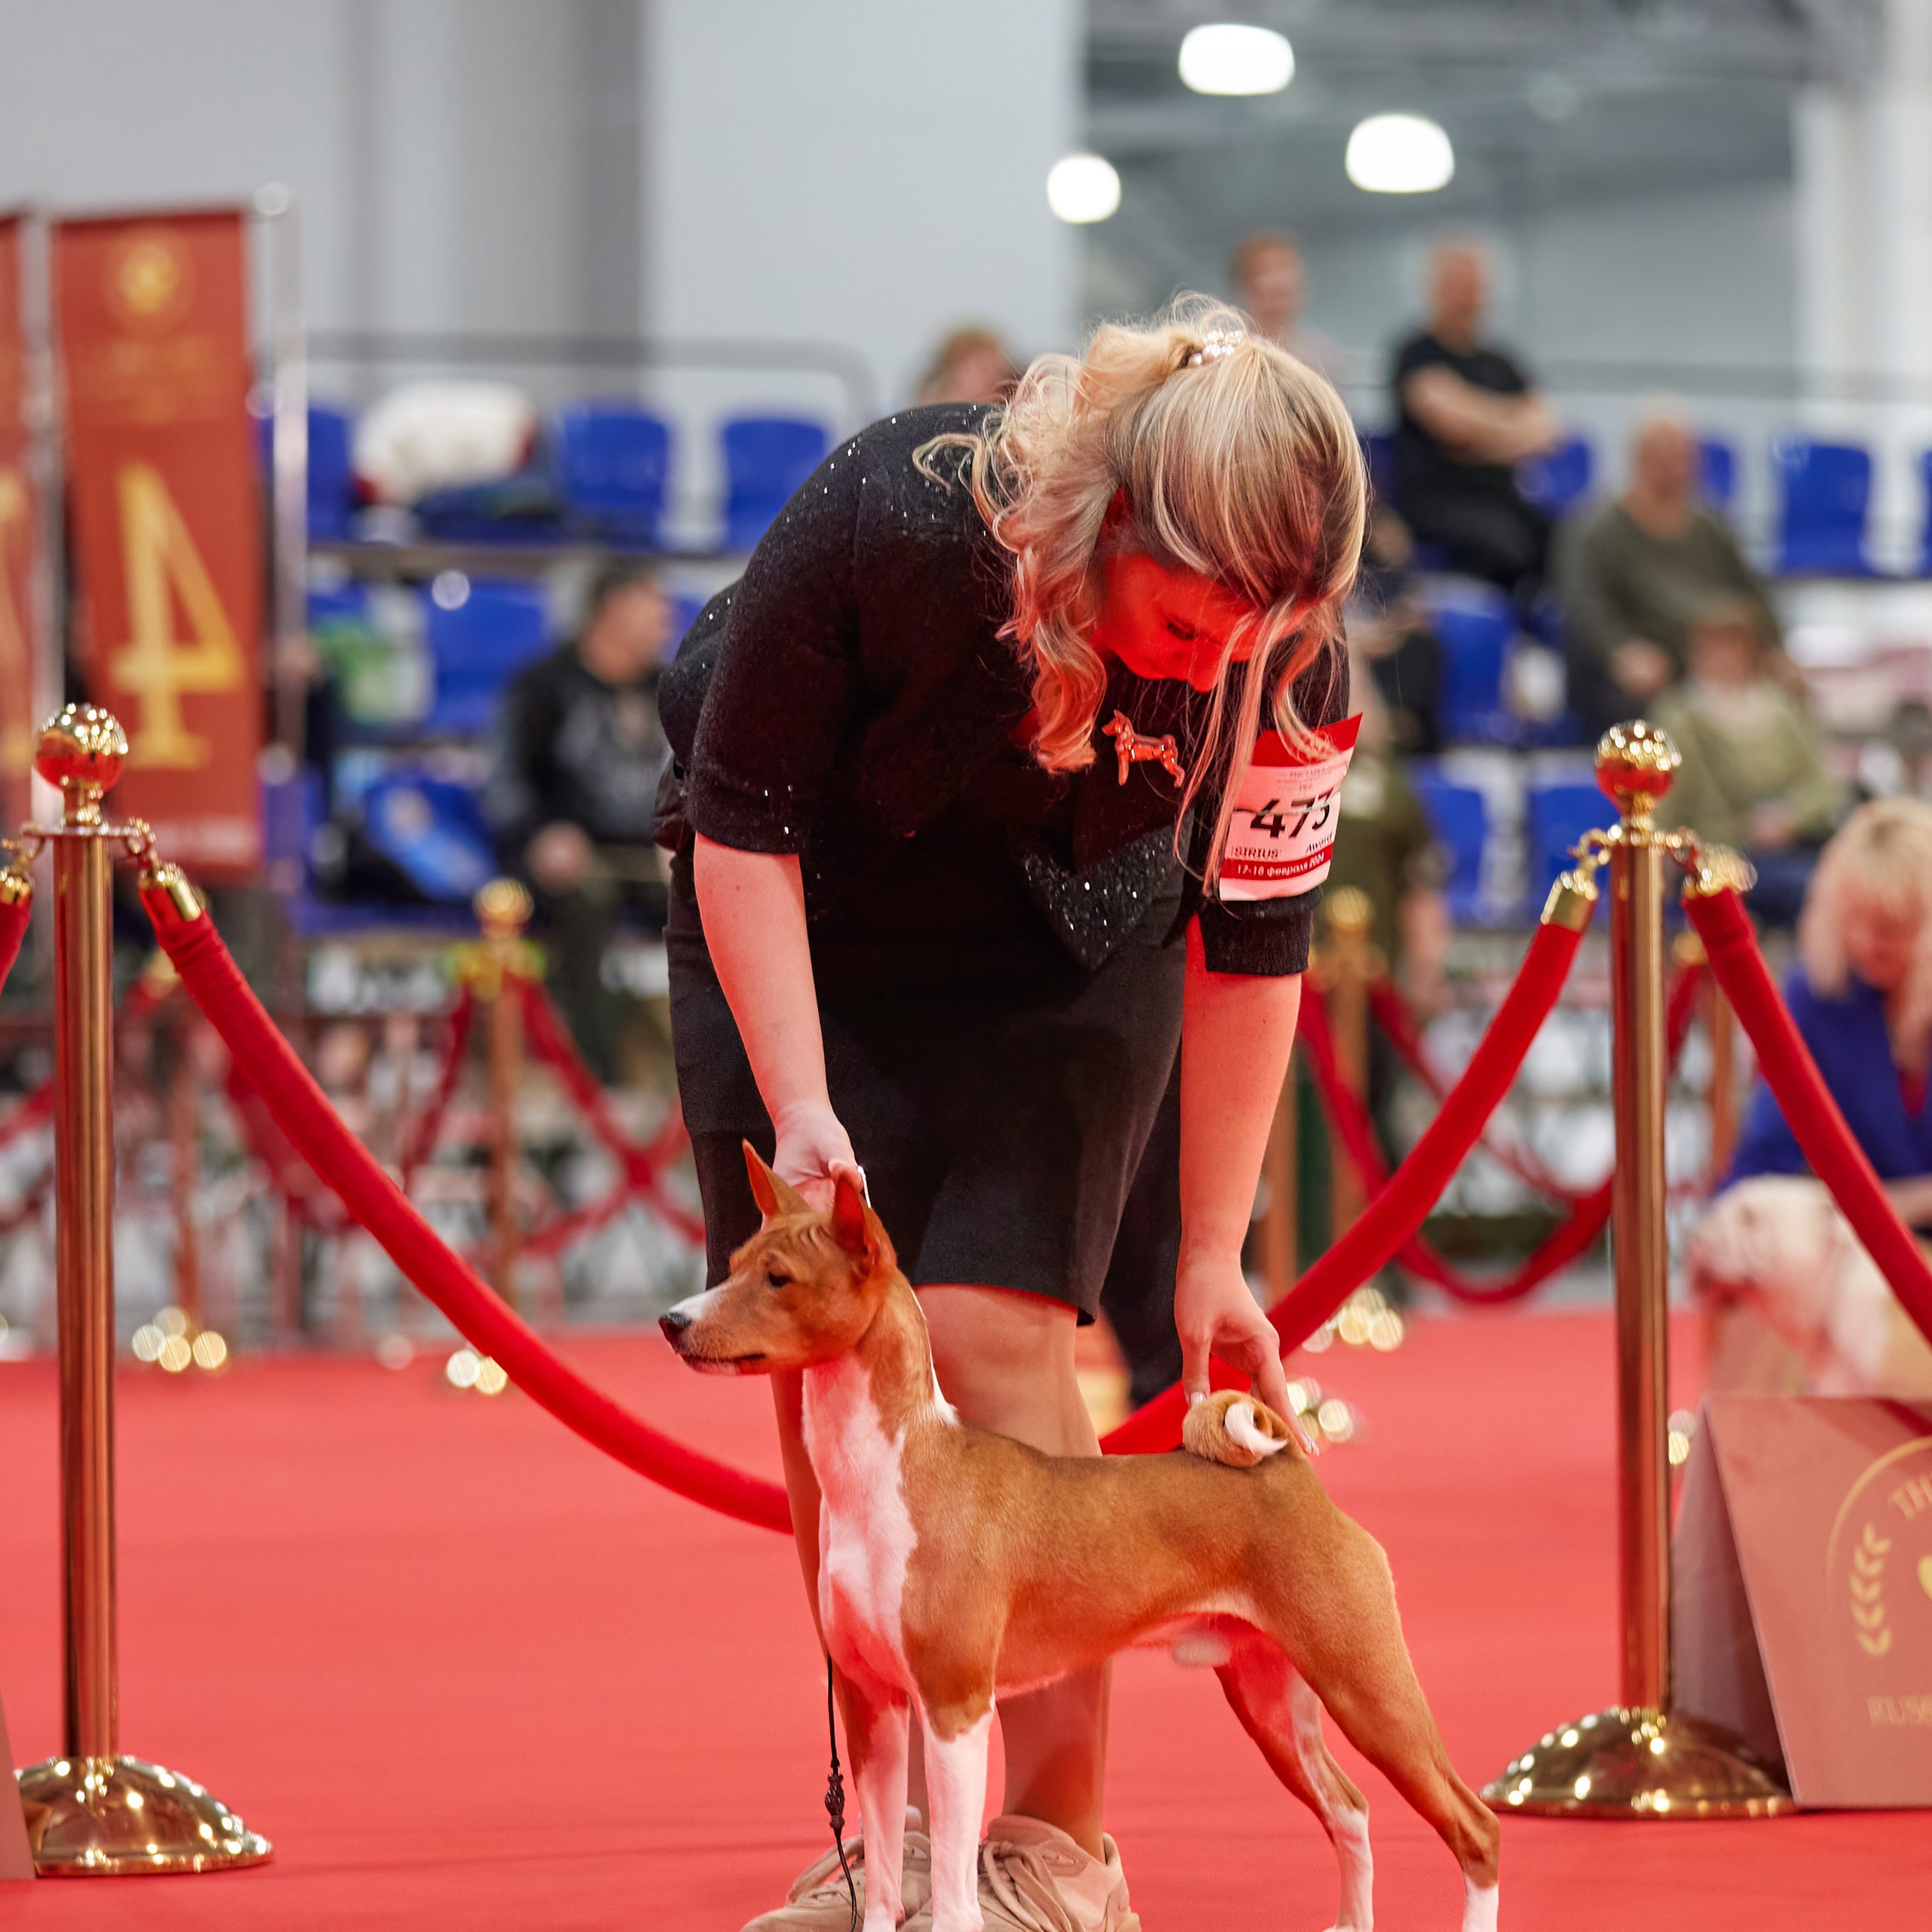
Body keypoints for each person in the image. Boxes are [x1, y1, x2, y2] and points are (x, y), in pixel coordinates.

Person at [655, 297, 1361, 1932]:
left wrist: (1207, 1256)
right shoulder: (899, 513)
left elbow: (1255, 948)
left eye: (1255, 637)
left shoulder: (1288, 655)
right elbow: (741, 825)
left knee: (984, 1322)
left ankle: (1050, 1846)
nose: (1219, 670)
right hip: (801, 908)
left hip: (1073, 932)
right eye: (1187, 631)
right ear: (1101, 522)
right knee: (827, 1378)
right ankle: (892, 1845)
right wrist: (805, 1102)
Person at [1691, 799, 1932, 1395]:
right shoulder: (1816, 993)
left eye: (1894, 926)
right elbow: (1769, 1146)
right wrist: (1727, 1224)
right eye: (1856, 919)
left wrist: (1901, 1204)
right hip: (1858, 1247)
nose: (1868, 941)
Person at [485, 564, 675, 1080]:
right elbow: (504, 784)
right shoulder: (543, 687)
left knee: (717, 895)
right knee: (589, 899)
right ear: (611, 612)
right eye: (651, 608)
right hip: (564, 860)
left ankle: (701, 1073)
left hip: (645, 857)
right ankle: (596, 1075)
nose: (666, 620)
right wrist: (541, 835)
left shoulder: (670, 689)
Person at [1562, 412, 1782, 737]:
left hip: (1720, 667)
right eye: (1661, 455)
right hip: (1656, 670)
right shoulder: (1598, 532)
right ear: (1638, 459)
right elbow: (1587, 607)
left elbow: (1752, 594)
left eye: (1681, 456)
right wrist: (1621, 652)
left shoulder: (1712, 528)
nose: (1673, 468)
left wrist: (1772, 649)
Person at [1389, 240, 1561, 601]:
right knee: (1502, 544)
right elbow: (1450, 424)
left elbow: (1546, 432)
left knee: (1565, 541)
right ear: (1436, 290)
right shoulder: (1415, 354)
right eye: (1459, 286)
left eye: (1475, 286)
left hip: (1502, 499)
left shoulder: (1502, 362)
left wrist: (1479, 431)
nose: (1469, 297)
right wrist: (1511, 425)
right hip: (1437, 504)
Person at [1654, 602, 1841, 924]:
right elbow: (1662, 802)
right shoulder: (1680, 718)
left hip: (1790, 845)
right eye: (1710, 647)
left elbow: (1822, 786)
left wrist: (1789, 818)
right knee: (1813, 889)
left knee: (1842, 881)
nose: (1722, 657)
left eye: (1730, 646)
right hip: (1720, 854)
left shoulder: (1781, 710)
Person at [1229, 231, 1343, 383]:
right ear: (1245, 285)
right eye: (1266, 271)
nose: (1279, 280)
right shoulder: (1228, 353)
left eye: (1284, 269)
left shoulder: (1321, 355)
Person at [915, 325, 1019, 407]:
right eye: (982, 369)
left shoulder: (1000, 417)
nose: (993, 377)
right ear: (956, 368)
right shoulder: (925, 419)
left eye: (997, 369)